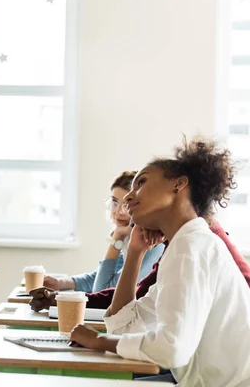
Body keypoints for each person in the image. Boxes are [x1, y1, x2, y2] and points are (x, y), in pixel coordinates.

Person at [68, 137, 250, 386]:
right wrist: (134, 252)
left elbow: (172, 349)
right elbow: (123, 326)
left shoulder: (191, 247)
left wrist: (98, 341)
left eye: (140, 183)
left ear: (178, 185)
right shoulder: (183, 244)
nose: (128, 198)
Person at [29, 219, 250, 311]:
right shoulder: (178, 238)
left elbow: (133, 300)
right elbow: (141, 292)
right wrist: (64, 298)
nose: (121, 210)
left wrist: (101, 342)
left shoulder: (192, 241)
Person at [44, 171, 164, 293]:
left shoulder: (151, 243)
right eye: (115, 203)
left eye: (127, 205)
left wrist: (117, 238)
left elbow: (103, 290)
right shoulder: (131, 237)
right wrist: (60, 283)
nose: (119, 212)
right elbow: (101, 277)